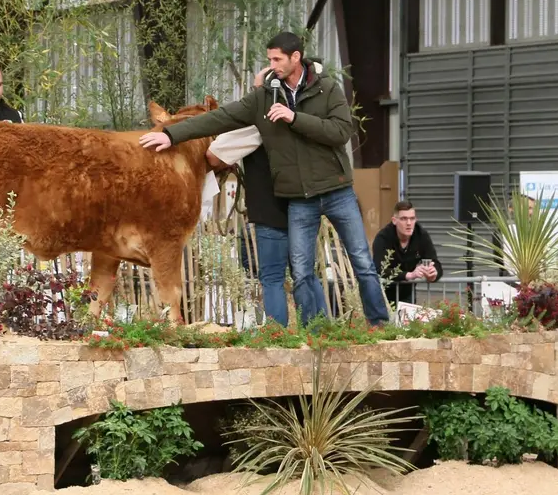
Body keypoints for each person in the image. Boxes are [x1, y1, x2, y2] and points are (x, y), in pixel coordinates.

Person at [139, 31, 390, 326]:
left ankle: (379, 323)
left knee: (361, 260)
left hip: (337, 190)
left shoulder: (327, 89)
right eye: (269, 58)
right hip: (300, 198)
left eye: (277, 59)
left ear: (296, 57)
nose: (272, 64)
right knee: (301, 271)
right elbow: (218, 119)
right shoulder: (263, 99)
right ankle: (316, 332)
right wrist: (170, 133)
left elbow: (341, 132)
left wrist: (293, 117)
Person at [204, 68, 302, 327]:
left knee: (271, 277)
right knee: (305, 276)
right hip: (304, 208)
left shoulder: (258, 122)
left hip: (271, 210)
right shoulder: (301, 115)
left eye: (255, 90)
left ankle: (277, 336)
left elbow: (214, 156)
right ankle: (317, 332)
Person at [371, 200, 443, 307]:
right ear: (394, 220)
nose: (409, 223)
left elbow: (435, 263)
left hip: (407, 294)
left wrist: (433, 273)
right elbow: (379, 269)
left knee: (407, 322)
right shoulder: (383, 238)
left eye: (412, 218)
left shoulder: (421, 235)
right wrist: (409, 275)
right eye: (404, 219)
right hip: (383, 294)